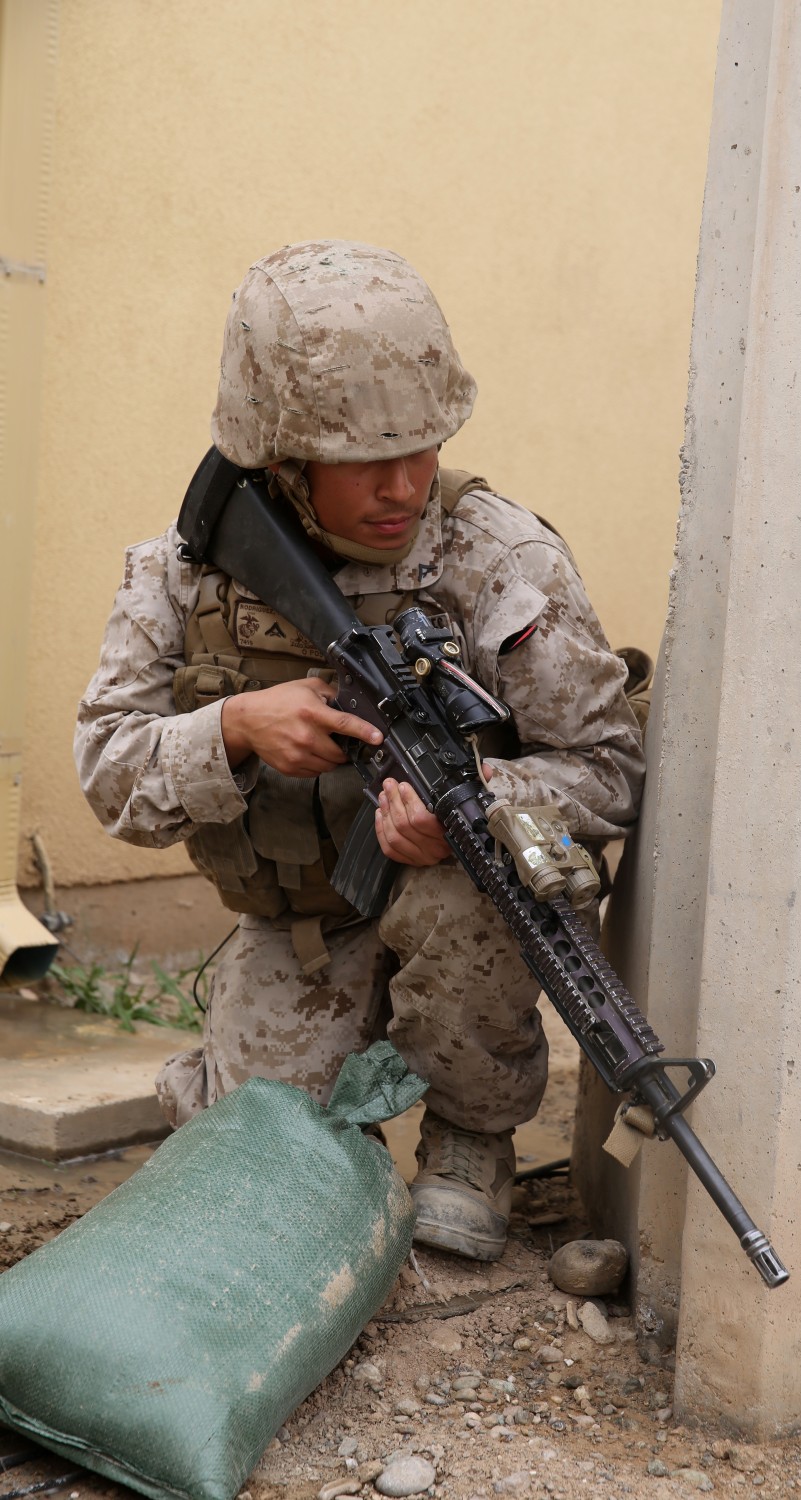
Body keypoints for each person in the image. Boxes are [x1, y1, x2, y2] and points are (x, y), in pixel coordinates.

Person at [74, 239, 645, 1262]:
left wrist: (476, 799)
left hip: (454, 908)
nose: (401, 484)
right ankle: (239, 1087)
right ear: (277, 463)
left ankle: (472, 1135)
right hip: (302, 924)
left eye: (422, 447)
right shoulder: (183, 575)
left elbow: (607, 767)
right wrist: (234, 732)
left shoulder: (500, 558)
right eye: (360, 461)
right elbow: (112, 778)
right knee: (255, 1198)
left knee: (494, 876)